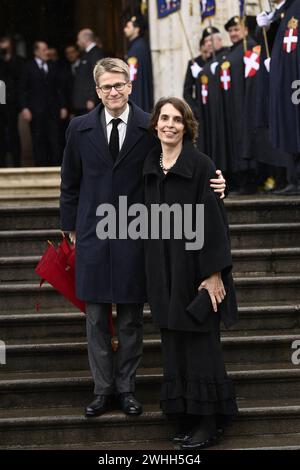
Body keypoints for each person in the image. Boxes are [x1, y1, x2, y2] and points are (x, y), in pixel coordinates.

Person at [60, 58, 226, 419]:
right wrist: (70, 227)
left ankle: (127, 387)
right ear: (97, 90)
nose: (114, 91)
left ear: (130, 86)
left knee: (131, 318)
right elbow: (70, 182)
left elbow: (175, 161)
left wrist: (214, 182)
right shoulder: (79, 128)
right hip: (92, 234)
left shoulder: (147, 126)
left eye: (120, 84)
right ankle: (103, 389)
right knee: (96, 317)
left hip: (136, 234)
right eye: (106, 86)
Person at [143, 97, 238, 449]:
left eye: (177, 119)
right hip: (163, 273)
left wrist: (214, 273)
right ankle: (185, 416)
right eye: (164, 118)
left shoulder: (201, 166)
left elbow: (214, 222)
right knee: (174, 347)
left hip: (196, 271)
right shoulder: (149, 165)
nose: (169, 124)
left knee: (202, 348)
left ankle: (208, 422)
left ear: (187, 126)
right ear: (155, 125)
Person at [20, 41, 68, 166]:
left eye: (47, 49)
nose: (47, 52)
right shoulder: (28, 67)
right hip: (35, 111)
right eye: (44, 49)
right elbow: (23, 89)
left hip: (53, 110)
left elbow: (60, 89)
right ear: (36, 52)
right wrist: (25, 108)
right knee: (38, 140)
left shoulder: (53, 66)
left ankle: (56, 168)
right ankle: (40, 168)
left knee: (55, 140)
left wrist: (63, 106)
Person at [0, 35, 24, 167]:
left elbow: (19, 79)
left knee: (13, 132)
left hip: (12, 102)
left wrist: (9, 60)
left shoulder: (18, 60)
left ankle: (16, 163)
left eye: (5, 43)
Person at [124, 15, 154, 112]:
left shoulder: (137, 48)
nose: (125, 30)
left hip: (137, 95)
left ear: (136, 29)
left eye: (128, 27)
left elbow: (133, 77)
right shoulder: (137, 46)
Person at [73, 28, 105, 116]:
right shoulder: (87, 54)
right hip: (83, 103)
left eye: (78, 40)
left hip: (89, 103)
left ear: (84, 40)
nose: (77, 42)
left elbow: (97, 76)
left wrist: (91, 98)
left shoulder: (95, 53)